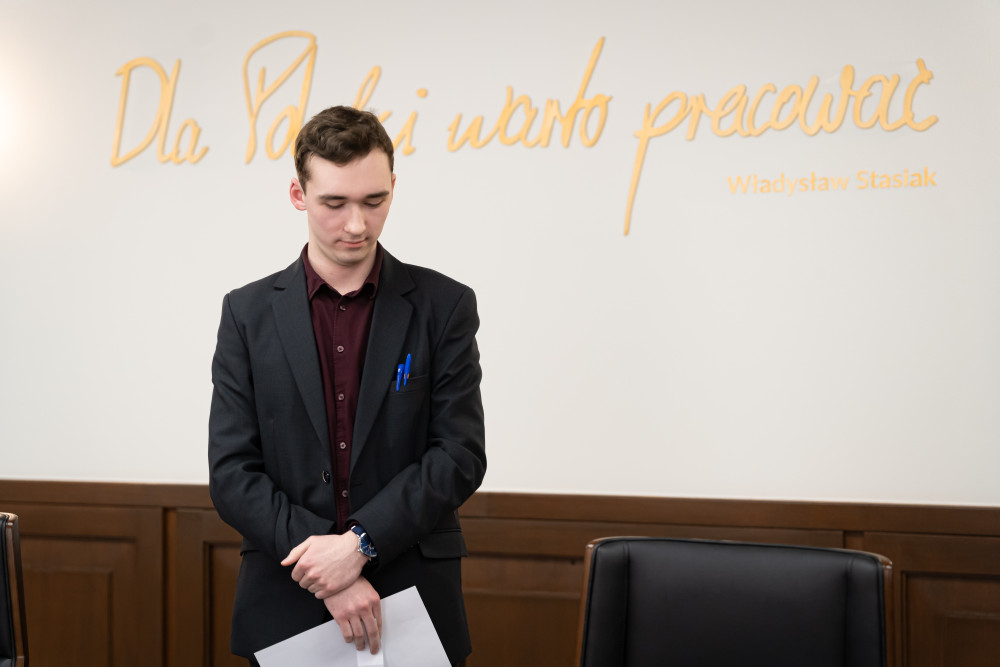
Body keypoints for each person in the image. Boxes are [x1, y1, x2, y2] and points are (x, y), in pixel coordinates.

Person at [208, 105, 486, 667]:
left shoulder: (446, 305)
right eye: (335, 203)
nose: (357, 224)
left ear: (393, 189)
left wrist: (359, 546)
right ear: (298, 194)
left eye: (374, 201)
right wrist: (329, 572)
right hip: (286, 598)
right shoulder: (246, 313)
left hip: (413, 595)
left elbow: (459, 454)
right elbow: (233, 472)